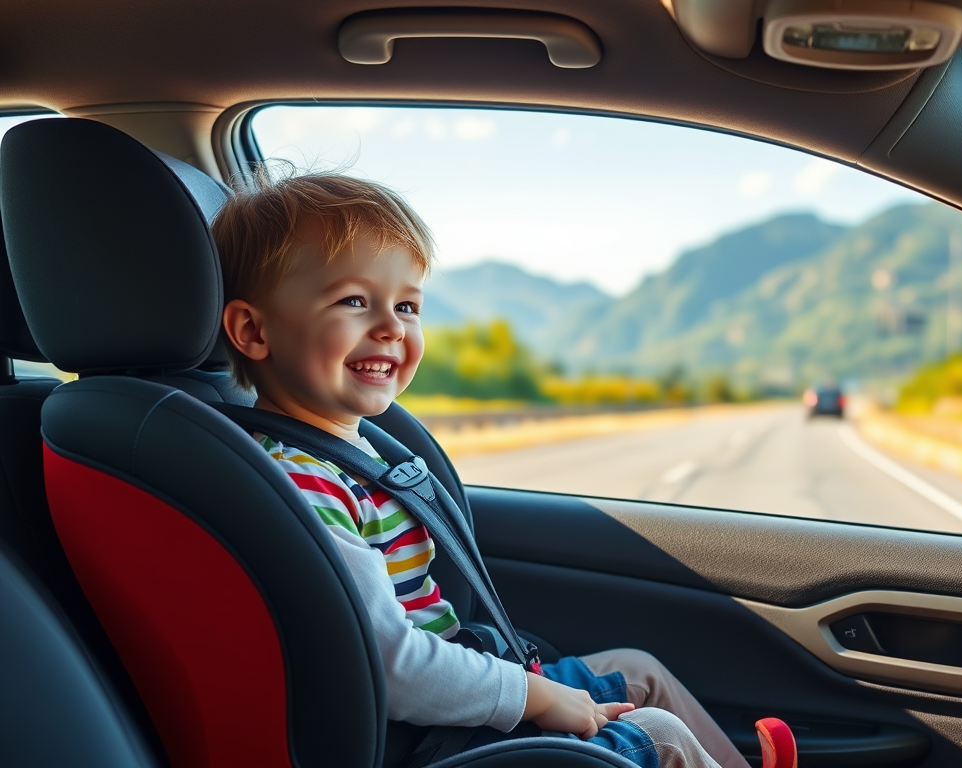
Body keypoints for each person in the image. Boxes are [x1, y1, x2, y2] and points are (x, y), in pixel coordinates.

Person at [213, 170, 797, 768]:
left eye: (408, 304)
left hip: (451, 697)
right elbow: (387, 664)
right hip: (419, 735)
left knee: (635, 670)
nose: (392, 326)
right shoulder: (306, 484)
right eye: (354, 301)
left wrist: (521, 685)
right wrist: (531, 695)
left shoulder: (363, 454)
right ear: (253, 331)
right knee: (657, 733)